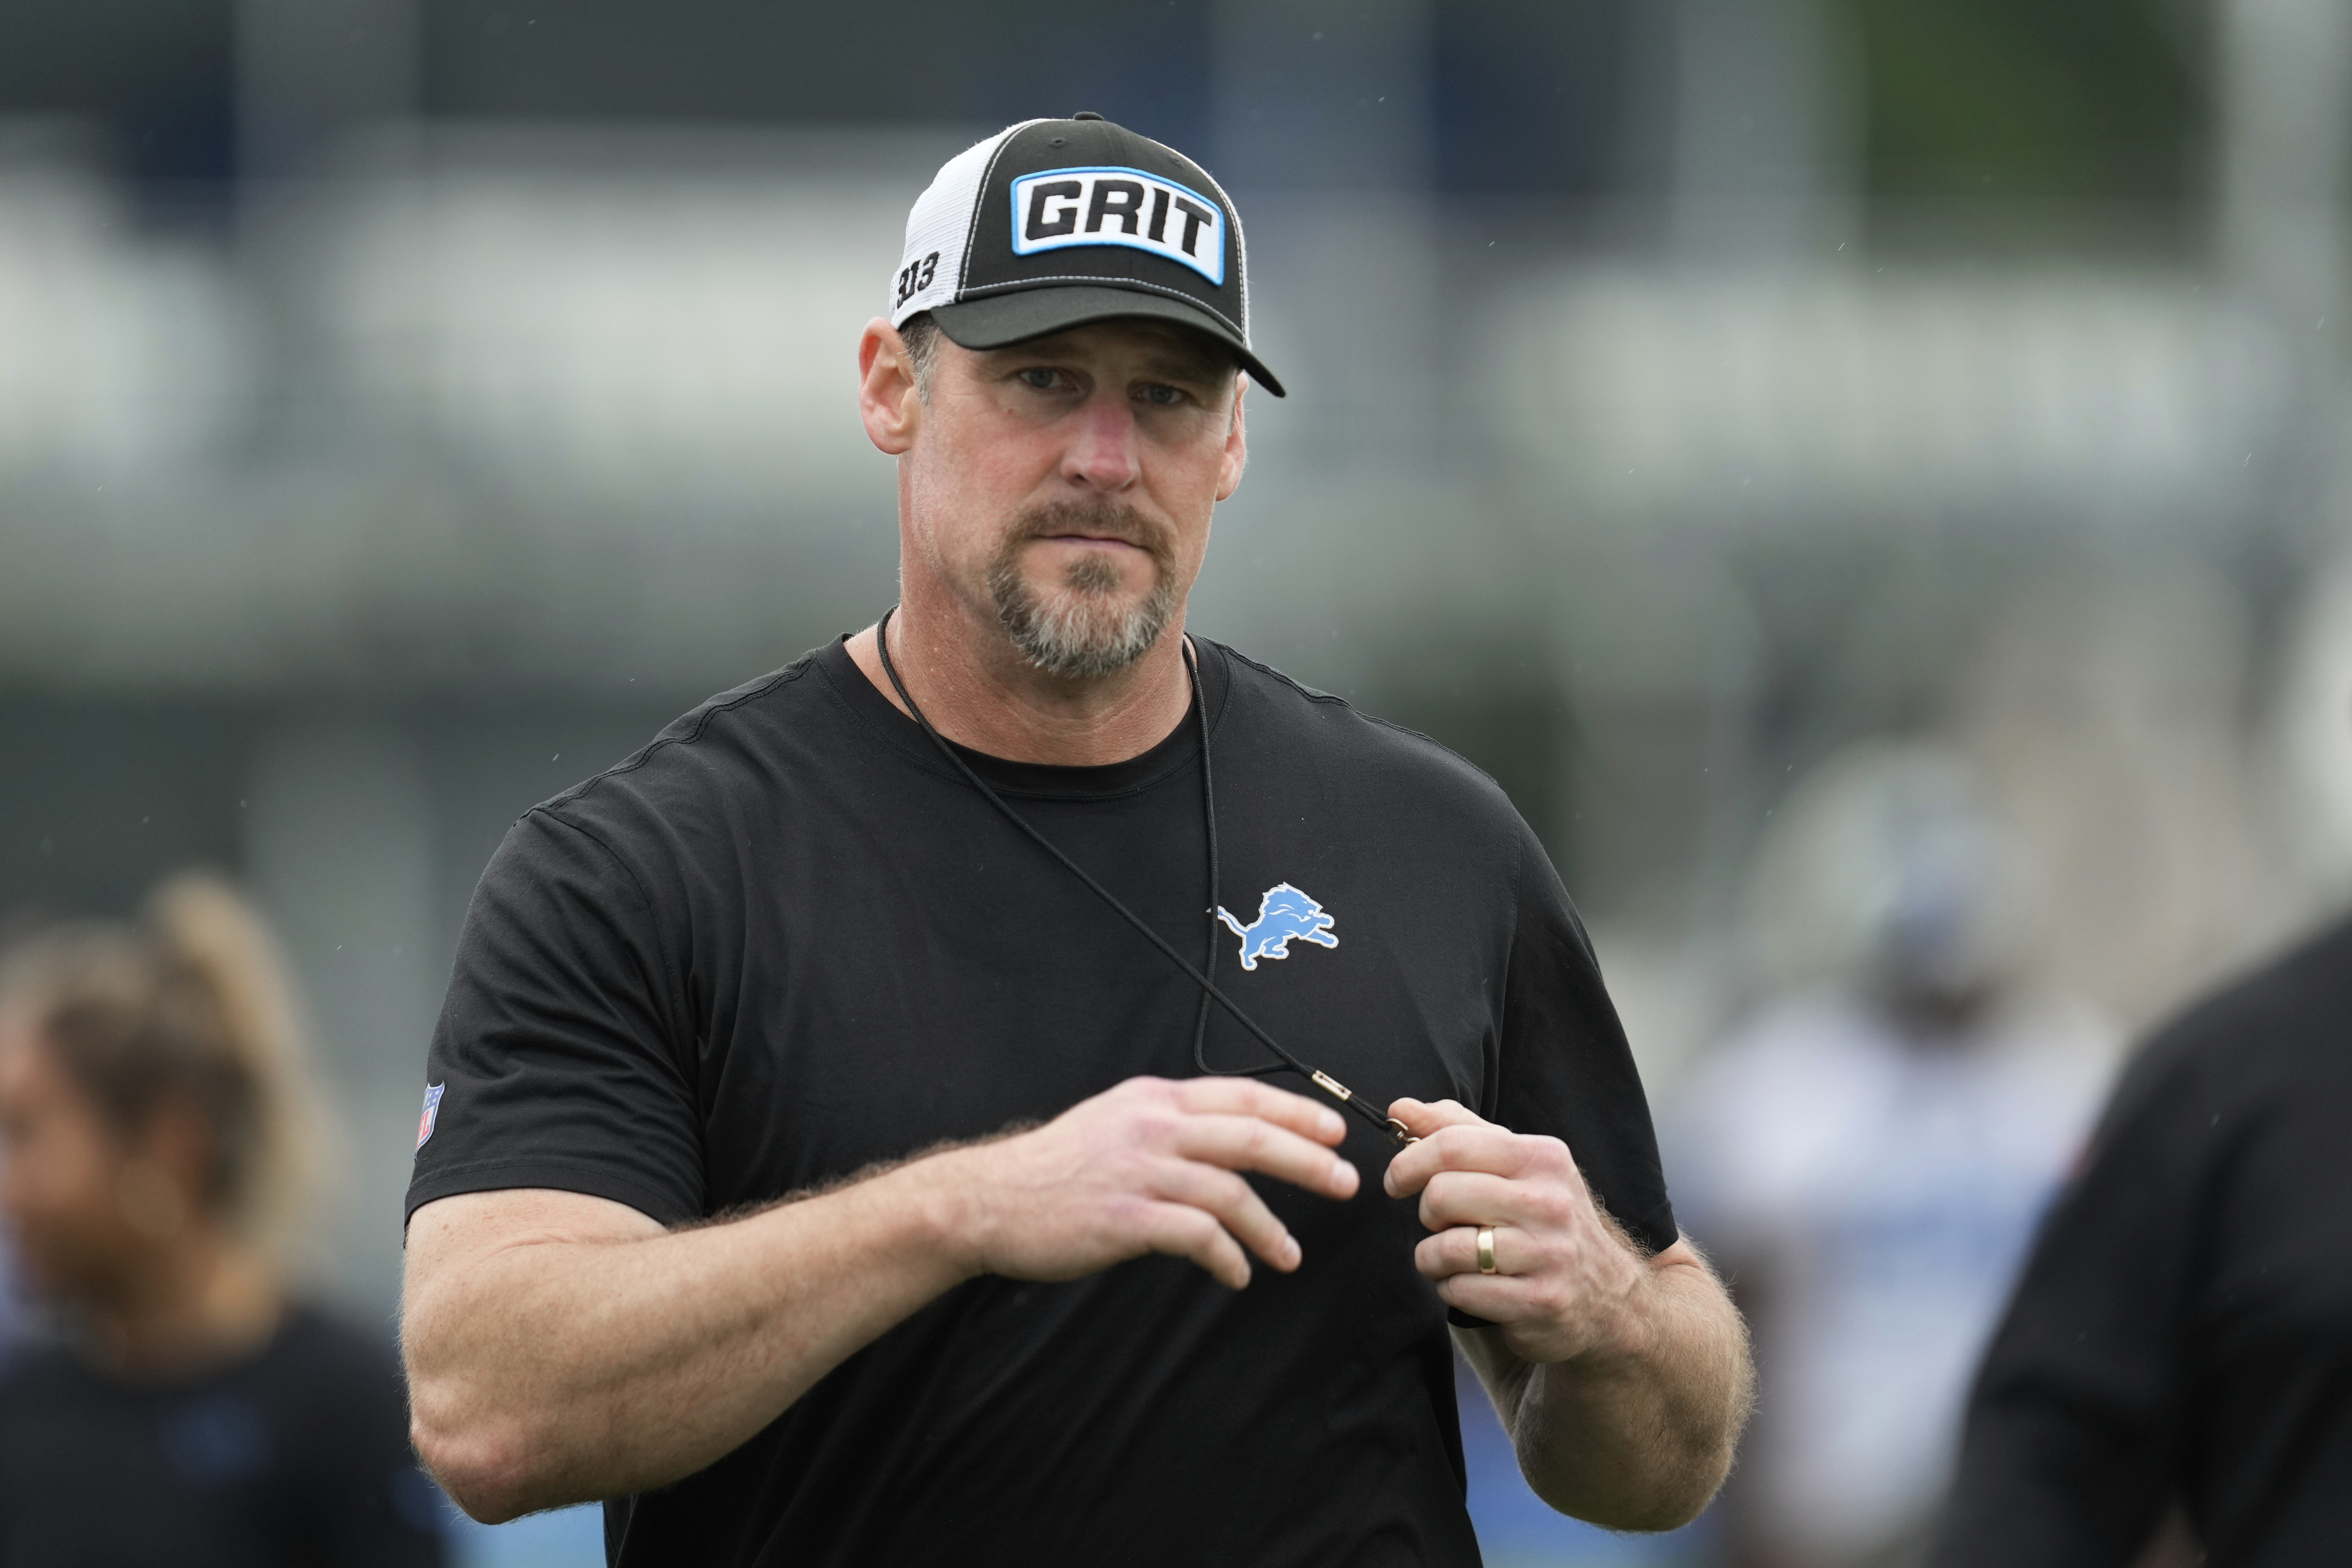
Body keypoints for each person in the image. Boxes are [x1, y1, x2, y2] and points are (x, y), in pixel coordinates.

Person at [400, 113, 1753, 1566]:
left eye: (1169, 396)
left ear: (1230, 444)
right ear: (891, 387)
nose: (1105, 457)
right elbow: (489, 1407)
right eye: (1041, 378)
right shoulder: (646, 868)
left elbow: (1657, 1465)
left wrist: (1606, 1305)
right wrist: (968, 1205)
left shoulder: (1434, 842)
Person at [1670, 744, 2116, 1568]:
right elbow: (1722, 1329)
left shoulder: (2070, 1072)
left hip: (2023, 1514)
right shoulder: (1775, 1082)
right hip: (1834, 1524)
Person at [0, 872, 444, 1566]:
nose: (9, 1189)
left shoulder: (339, 1401)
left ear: (166, 1145)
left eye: (28, 1135)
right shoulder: (21, 1411)